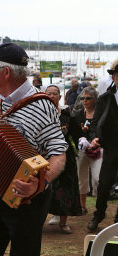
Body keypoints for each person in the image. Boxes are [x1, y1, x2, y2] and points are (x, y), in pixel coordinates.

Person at [0, 43, 67, 256]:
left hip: (28, 199)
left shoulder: (42, 105)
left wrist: (40, 183)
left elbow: (58, 153)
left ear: (5, 73)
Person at [45, 85, 82, 234]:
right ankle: (38, 220)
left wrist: (84, 141)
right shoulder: (41, 114)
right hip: (45, 157)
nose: (52, 96)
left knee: (66, 189)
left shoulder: (67, 114)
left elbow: (76, 134)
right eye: (49, 94)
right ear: (44, 96)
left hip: (66, 157)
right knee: (43, 188)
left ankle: (63, 223)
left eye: (55, 94)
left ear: (60, 97)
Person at [87, 63, 118, 232]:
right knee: (104, 183)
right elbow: (94, 123)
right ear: (114, 78)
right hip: (111, 145)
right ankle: (98, 215)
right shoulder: (105, 98)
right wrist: (94, 138)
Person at [74, 86, 102, 215]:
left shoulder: (101, 113)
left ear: (95, 99)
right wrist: (81, 133)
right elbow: (74, 133)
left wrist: (97, 140)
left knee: (97, 178)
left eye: (88, 98)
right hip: (83, 149)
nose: (85, 100)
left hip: (99, 148)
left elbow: (105, 130)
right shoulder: (79, 113)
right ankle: (82, 206)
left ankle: (99, 206)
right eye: (82, 98)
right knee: (81, 178)